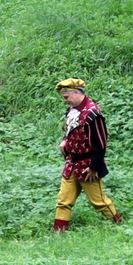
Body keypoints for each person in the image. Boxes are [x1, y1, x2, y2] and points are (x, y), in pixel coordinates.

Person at [53, 78, 122, 232]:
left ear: (76, 93)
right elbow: (69, 131)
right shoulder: (72, 111)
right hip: (71, 163)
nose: (65, 100)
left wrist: (94, 167)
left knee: (99, 202)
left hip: (87, 166)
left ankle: (120, 226)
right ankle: (58, 233)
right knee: (63, 201)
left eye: (67, 97)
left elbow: (100, 143)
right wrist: (65, 141)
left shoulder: (92, 114)